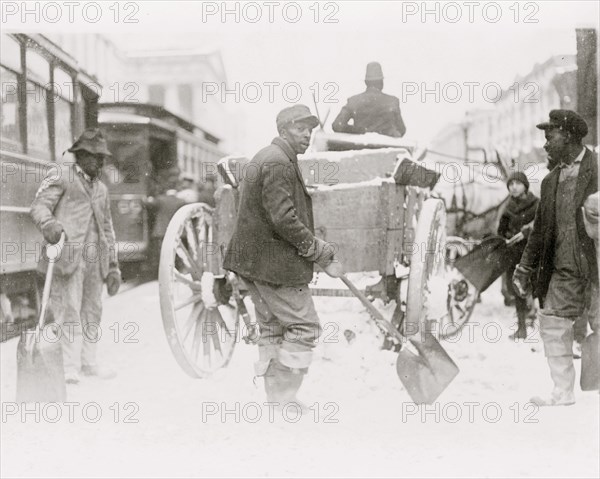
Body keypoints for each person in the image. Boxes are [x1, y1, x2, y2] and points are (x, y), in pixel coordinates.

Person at [223, 104, 343, 409]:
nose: (306, 135)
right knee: (304, 328)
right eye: (299, 128)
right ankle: (284, 397)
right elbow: (284, 219)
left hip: (256, 262)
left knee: (273, 328)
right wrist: (322, 253)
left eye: (310, 129)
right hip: (273, 265)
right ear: (283, 129)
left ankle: (277, 400)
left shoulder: (271, 157)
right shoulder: (278, 162)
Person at [513, 110, 598, 406]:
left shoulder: (598, 168)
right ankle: (562, 392)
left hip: (598, 267)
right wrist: (524, 267)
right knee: (552, 323)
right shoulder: (550, 181)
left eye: (551, 136)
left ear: (570, 136)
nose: (546, 143)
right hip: (564, 269)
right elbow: (539, 231)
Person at [30, 128, 121, 385]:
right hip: (67, 258)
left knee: (93, 310)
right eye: (95, 157)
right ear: (80, 156)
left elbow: (107, 229)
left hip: (96, 261)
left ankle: (88, 363)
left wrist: (113, 266)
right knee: (68, 310)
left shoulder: (102, 189)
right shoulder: (60, 175)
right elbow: (39, 206)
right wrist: (49, 225)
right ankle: (69, 368)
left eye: (102, 157)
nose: (101, 162)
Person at [497, 171, 539, 340]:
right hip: (514, 255)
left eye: (518, 183)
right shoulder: (508, 207)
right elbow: (501, 231)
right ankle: (521, 329)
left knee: (536, 288)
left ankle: (543, 327)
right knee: (516, 290)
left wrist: (528, 232)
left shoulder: (536, 204)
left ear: (525, 186)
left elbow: (544, 226)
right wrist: (503, 240)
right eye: (511, 184)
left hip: (534, 253)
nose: (514, 187)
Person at [332, 61, 406, 138]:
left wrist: (359, 131)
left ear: (366, 82)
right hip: (386, 147)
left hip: (361, 146)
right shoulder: (392, 102)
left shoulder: (354, 101)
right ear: (381, 82)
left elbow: (337, 125)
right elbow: (402, 129)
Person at [145, 183, 187, 275]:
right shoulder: (181, 201)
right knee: (176, 252)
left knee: (163, 253)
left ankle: (164, 272)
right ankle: (176, 271)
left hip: (162, 231)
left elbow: (148, 204)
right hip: (177, 231)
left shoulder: (160, 199)